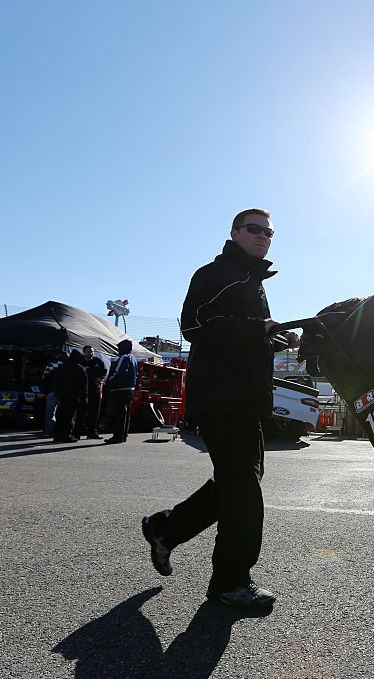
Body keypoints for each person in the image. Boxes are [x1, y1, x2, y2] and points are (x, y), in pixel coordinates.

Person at [141, 207, 298, 611]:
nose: (263, 236)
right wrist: (255, 329)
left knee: (240, 480)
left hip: (245, 398)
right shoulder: (215, 273)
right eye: (254, 229)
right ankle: (229, 582)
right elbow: (193, 326)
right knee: (243, 488)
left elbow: (242, 335)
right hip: (222, 397)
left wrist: (275, 338)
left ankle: (166, 528)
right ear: (234, 231)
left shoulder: (251, 280)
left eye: (269, 232)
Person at [104, 339, 137, 444]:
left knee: (119, 413)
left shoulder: (124, 357)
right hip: (130, 388)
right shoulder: (133, 358)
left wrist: (110, 381)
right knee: (125, 413)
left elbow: (119, 372)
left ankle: (117, 436)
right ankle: (123, 435)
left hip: (120, 389)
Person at [52, 350, 88, 443]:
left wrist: (57, 393)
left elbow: (55, 381)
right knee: (70, 416)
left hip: (61, 395)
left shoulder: (61, 367)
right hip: (73, 396)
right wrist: (84, 398)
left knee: (60, 415)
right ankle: (67, 435)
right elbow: (83, 385)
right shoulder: (80, 368)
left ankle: (57, 435)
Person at [75, 345, 105, 440]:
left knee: (94, 413)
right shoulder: (80, 362)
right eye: (88, 351)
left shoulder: (97, 361)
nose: (90, 353)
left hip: (95, 390)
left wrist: (100, 378)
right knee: (81, 413)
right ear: (84, 352)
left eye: (91, 351)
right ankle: (77, 433)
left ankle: (92, 432)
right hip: (83, 391)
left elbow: (103, 372)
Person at [39, 352, 67, 436]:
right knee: (64, 412)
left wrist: (43, 391)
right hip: (65, 392)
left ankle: (49, 431)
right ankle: (61, 431)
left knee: (50, 412)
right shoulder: (68, 366)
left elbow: (44, 379)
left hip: (52, 391)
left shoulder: (51, 365)